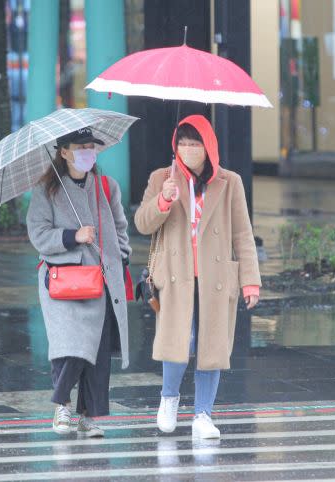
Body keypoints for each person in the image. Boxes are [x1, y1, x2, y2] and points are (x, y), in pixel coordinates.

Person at [134, 114, 261, 440]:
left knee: (211, 345)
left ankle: (203, 414)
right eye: (182, 143)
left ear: (209, 146)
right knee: (181, 340)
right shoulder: (163, 176)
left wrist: (250, 279)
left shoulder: (229, 182)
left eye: (195, 143)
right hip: (176, 276)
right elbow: (142, 224)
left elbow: (243, 234)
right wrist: (163, 199)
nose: (188, 149)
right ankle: (169, 398)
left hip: (215, 277)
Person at [26, 127, 132, 438]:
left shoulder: (106, 186)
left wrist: (120, 254)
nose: (88, 151)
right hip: (63, 281)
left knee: (97, 352)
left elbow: (121, 226)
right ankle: (61, 404)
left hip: (101, 278)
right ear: (64, 151)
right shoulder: (47, 189)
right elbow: (39, 234)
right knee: (70, 346)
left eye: (91, 146)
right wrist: (74, 237)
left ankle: (89, 415)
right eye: (80, 146)